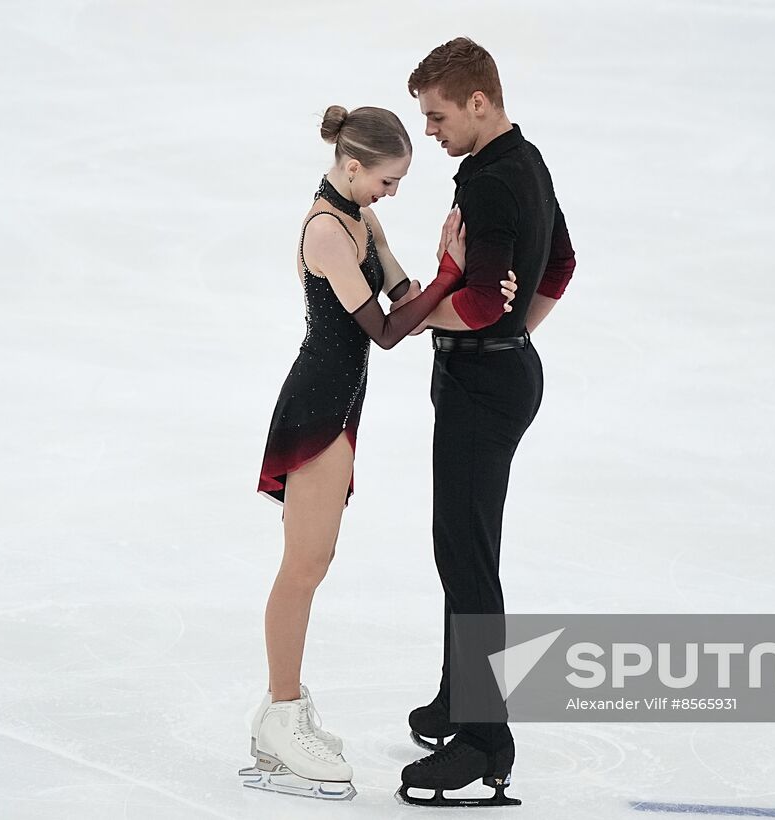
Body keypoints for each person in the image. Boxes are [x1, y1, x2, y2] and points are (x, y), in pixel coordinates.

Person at [240, 104, 519, 801]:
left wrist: (471, 283)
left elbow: (406, 294)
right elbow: (390, 330)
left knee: (317, 559)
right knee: (303, 565)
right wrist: (452, 275)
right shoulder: (329, 231)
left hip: (340, 405)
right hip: (316, 411)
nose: (391, 193)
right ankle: (279, 716)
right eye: (387, 181)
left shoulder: (363, 217)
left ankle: (284, 709)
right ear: (353, 165)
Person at [397, 38, 578, 808]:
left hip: (482, 384)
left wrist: (424, 321)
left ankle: (484, 739)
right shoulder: (523, 161)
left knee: (465, 558)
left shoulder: (496, 183)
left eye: (438, 116)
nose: (430, 131)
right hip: (502, 373)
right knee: (465, 549)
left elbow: (479, 302)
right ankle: (456, 697)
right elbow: (561, 264)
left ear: (479, 102)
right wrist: (515, 340)